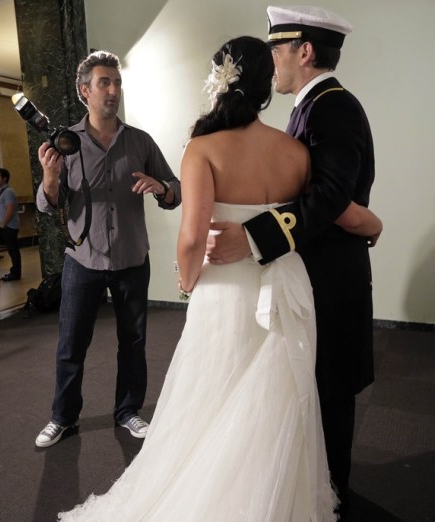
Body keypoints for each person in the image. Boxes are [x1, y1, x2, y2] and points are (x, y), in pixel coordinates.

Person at [56, 36, 380, 522]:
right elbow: (329, 208)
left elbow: (191, 238)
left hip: (228, 286)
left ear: (219, 84)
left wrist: (187, 282)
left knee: (212, 392)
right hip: (288, 285)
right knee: (280, 395)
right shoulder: (294, 151)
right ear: (264, 89)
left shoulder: (202, 148)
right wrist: (373, 224)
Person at [205, 7, 379, 520]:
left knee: (328, 400)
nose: (272, 63)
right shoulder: (313, 106)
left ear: (304, 52)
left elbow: (328, 196)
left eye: (277, 50)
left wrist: (255, 237)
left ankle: (331, 503)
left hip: (331, 281)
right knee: (309, 399)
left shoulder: (333, 108)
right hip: (313, 275)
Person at [35, 50, 181, 448]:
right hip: (82, 260)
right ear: (85, 91)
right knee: (71, 344)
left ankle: (128, 411)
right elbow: (48, 203)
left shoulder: (140, 141)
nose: (113, 91)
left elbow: (176, 190)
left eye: (117, 83)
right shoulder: (66, 142)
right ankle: (62, 417)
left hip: (132, 257)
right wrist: (50, 177)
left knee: (133, 342)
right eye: (105, 83)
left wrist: (162, 188)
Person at [0, 168, 21, 282]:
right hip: (7, 225)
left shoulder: (8, 191)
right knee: (11, 250)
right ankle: (14, 271)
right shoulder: (2, 191)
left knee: (13, 250)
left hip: (10, 226)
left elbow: (10, 209)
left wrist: (4, 224)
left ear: (5, 178)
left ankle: (15, 273)